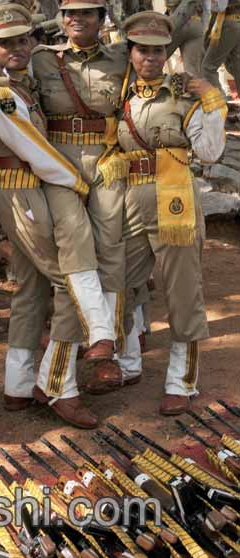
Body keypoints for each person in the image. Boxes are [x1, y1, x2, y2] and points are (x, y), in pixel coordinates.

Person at [0, 4, 112, 429]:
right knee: (67, 282)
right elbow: (33, 148)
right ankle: (58, 385)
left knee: (31, 288)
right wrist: (74, 180)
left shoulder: (22, 84)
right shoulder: (1, 93)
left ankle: (17, 385)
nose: (16, 49)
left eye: (23, 40)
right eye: (6, 43)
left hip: (24, 190)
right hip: (23, 191)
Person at [118, 11, 225, 415]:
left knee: (181, 291)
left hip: (174, 198)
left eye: (158, 50)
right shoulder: (121, 95)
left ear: (168, 52)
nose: (151, 58)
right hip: (129, 198)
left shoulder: (183, 95)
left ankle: (182, 379)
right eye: (142, 50)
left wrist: (210, 96)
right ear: (129, 53)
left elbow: (211, 151)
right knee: (121, 283)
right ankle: (127, 363)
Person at [30, 0, 127, 397]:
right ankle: (88, 339)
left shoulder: (123, 57)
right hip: (58, 163)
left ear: (102, 19)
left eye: (87, 13)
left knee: (110, 247)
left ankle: (108, 350)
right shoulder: (42, 60)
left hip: (106, 160)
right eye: (71, 12)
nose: (76, 19)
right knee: (71, 243)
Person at [202, 0, 240, 98]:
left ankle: (221, 102)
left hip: (228, 23)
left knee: (207, 68)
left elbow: (220, 7)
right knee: (236, 67)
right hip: (236, 22)